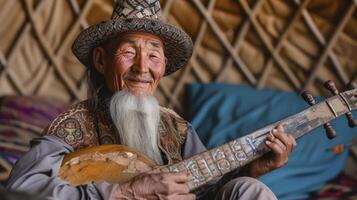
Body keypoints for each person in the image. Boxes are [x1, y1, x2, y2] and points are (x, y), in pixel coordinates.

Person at [6, 0, 297, 199]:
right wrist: (124, 192)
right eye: (129, 52)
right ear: (101, 60)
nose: (142, 68)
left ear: (162, 67)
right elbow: (21, 190)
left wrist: (252, 170)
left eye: (154, 55)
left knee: (247, 188)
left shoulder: (177, 129)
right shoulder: (74, 125)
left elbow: (207, 191)